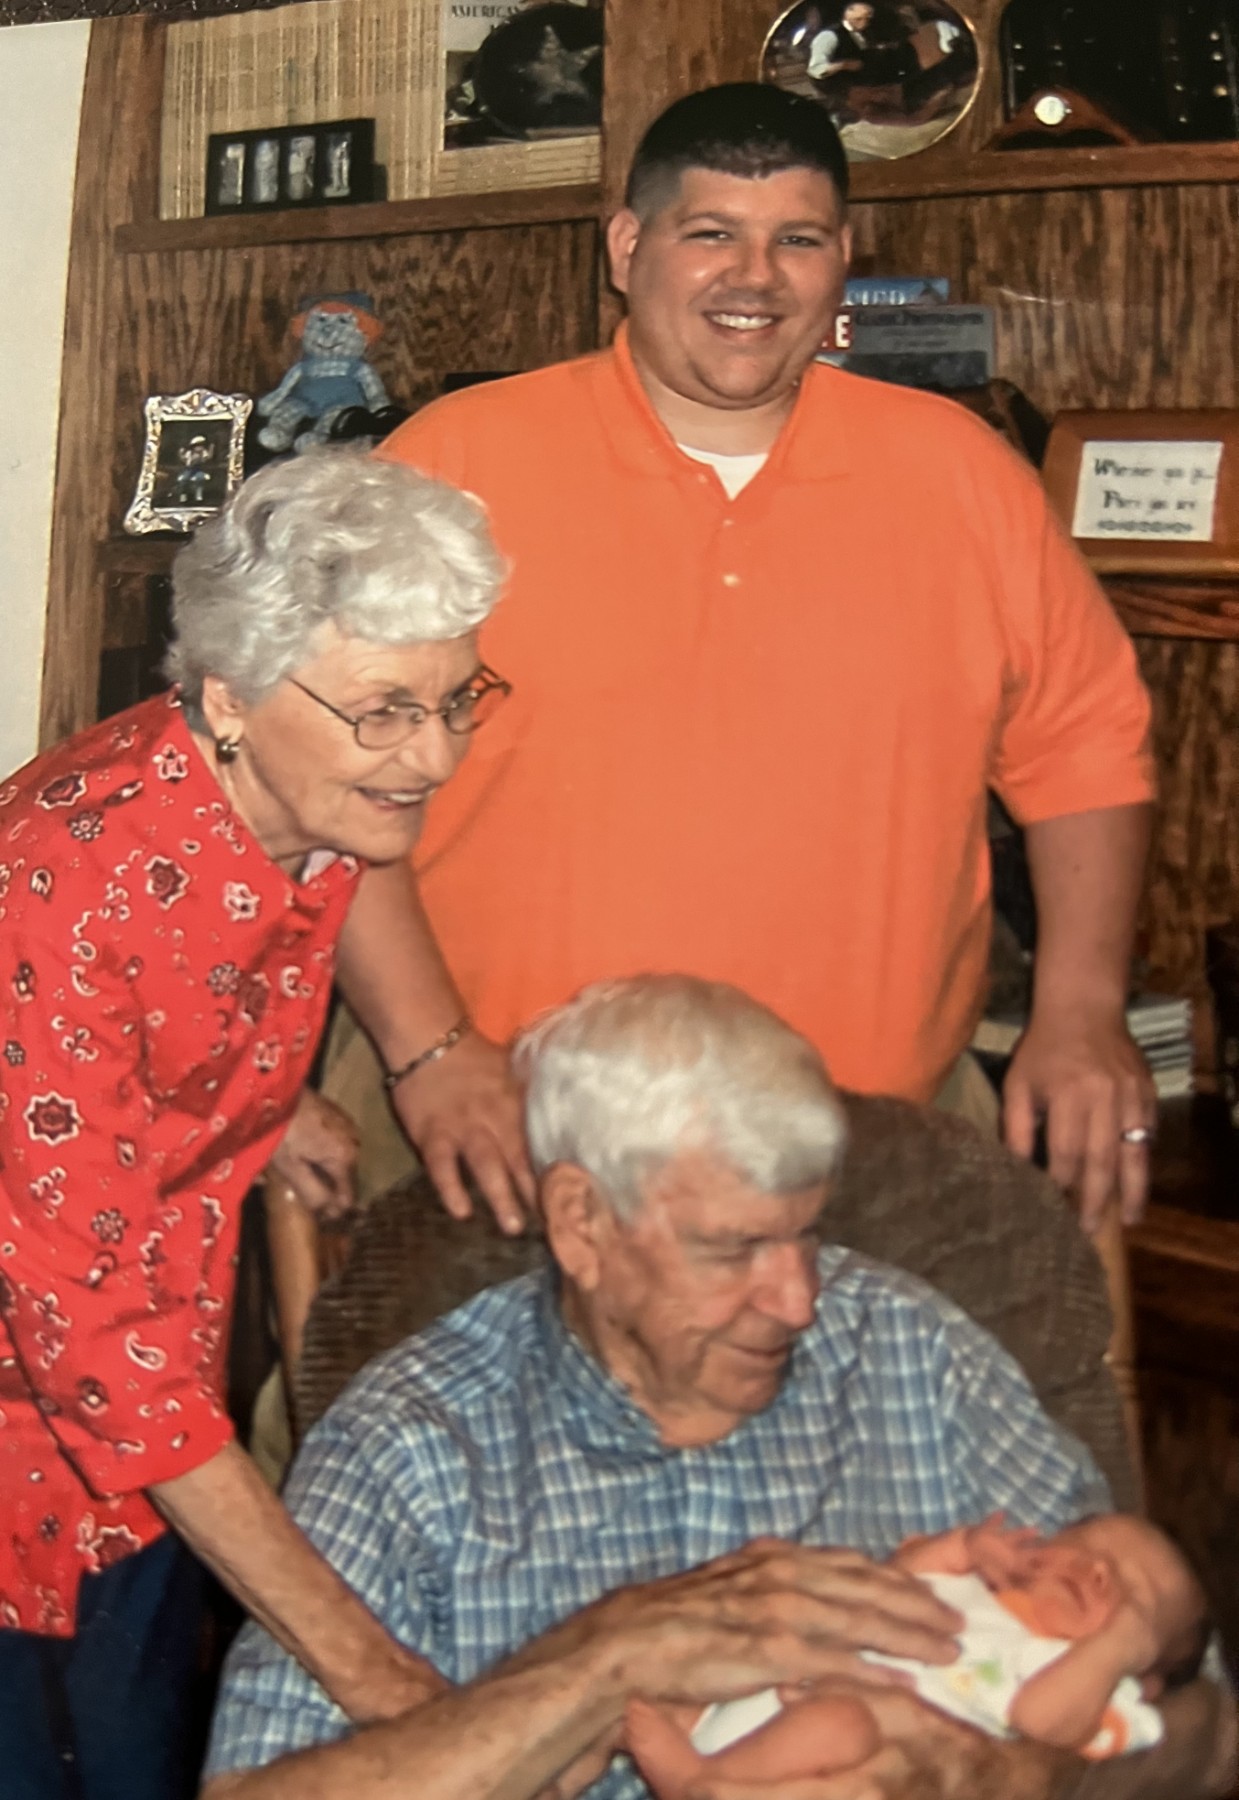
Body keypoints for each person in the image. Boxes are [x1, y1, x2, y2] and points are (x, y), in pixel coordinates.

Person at [343, 81, 1157, 1243]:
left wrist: (1080, 1010)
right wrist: (428, 1052)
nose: (755, 278)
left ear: (845, 260)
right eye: (712, 233)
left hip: (868, 1142)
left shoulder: (962, 474)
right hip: (504, 1135)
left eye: (798, 241)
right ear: (627, 248)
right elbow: (327, 781)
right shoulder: (451, 466)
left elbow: (1085, 749)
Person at [202, 977, 1232, 1800]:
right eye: (734, 1249)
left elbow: (1207, 1727)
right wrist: (600, 1664)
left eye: (806, 1234)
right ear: (582, 1223)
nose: (798, 1300)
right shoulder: (412, 1441)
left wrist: (1012, 1776)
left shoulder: (911, 1348)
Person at [0, 448, 514, 1797]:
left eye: (456, 699)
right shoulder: (64, 889)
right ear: (228, 696)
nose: (433, 756)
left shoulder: (298, 798)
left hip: (151, 1426)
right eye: (385, 711)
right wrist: (374, 1673)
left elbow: (177, 1003)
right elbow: (98, 1352)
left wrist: (252, 1112)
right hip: (39, 1452)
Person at [626, 1512, 1210, 1797]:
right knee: (674, 1666)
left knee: (842, 1722)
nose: (1097, 1569)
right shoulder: (974, 1592)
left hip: (832, 1762)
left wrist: (1115, 1648)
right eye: (1082, 1546)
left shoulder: (1099, 1690)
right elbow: (894, 1582)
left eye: (1132, 1594)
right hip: (757, 1699)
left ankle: (703, 1782)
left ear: (1144, 1673)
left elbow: (1041, 1721)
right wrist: (963, 1547)